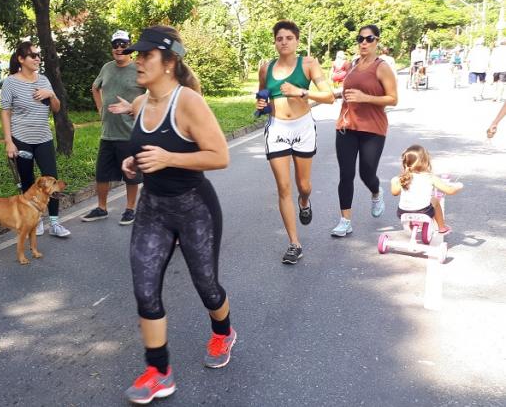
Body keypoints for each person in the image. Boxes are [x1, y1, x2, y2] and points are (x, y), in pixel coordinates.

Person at [107, 25, 234, 404]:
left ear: (170, 62)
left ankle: (223, 330)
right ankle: (159, 371)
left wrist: (169, 158)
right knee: (145, 289)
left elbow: (220, 156)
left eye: (146, 56)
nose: (138, 61)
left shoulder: (189, 102)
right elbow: (146, 153)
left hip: (195, 208)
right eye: (138, 55)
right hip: (153, 209)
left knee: (207, 286)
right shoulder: (142, 103)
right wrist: (133, 164)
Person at [255, 20, 335, 264]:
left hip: (303, 127)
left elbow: (330, 96)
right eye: (279, 38)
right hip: (277, 127)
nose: (284, 42)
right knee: (283, 187)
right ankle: (294, 243)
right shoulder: (266, 67)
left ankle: (305, 201)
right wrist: (261, 105)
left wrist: (302, 92)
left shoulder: (309, 64)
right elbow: (262, 96)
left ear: (297, 40)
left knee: (304, 185)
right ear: (275, 42)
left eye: (289, 38)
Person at [331, 24, 398, 237]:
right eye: (360, 39)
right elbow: (348, 91)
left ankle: (376, 192)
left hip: (373, 129)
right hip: (347, 126)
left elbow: (393, 99)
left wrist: (365, 98)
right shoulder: (352, 64)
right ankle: (345, 221)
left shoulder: (382, 67)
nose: (364, 43)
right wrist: (333, 94)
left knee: (366, 173)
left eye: (369, 39)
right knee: (346, 174)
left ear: (377, 41)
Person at [0, 41, 70, 238]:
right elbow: (5, 113)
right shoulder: (10, 83)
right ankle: (35, 220)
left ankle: (55, 223)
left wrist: (50, 94)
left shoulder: (44, 81)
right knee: (28, 182)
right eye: (33, 55)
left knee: (52, 180)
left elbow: (56, 108)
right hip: (21, 138)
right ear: (21, 59)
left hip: (43, 138)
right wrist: (9, 141)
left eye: (38, 55)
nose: (37, 58)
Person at [81, 30, 145, 225]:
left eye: (123, 44)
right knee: (102, 174)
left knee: (131, 175)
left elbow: (153, 93)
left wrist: (138, 111)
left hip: (129, 133)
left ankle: (130, 209)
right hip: (108, 133)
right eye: (115, 44)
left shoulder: (138, 69)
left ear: (130, 48)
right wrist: (100, 108)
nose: (119, 48)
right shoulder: (107, 68)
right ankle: (102, 208)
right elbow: (95, 87)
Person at [390, 145, 463, 234]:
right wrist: (459, 186)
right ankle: (442, 227)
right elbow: (450, 191)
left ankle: (413, 225)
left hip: (402, 213)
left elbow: (394, 193)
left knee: (416, 204)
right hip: (423, 212)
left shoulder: (401, 179)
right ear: (426, 162)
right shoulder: (430, 177)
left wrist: (394, 182)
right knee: (434, 200)